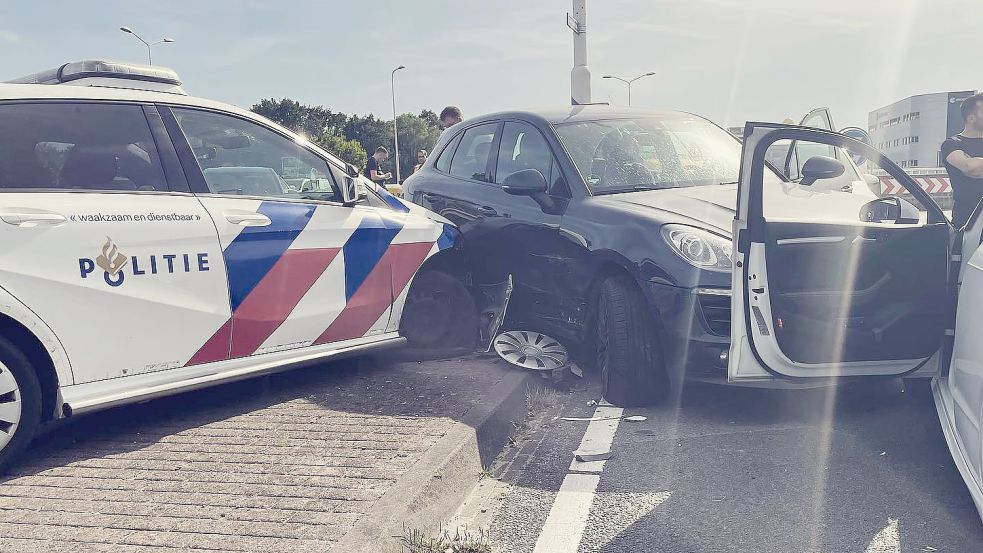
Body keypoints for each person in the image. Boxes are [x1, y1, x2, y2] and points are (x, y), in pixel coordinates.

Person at [942, 92, 983, 228]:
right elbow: (971, 168)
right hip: (968, 226)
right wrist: (973, 164)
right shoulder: (952, 144)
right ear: (971, 118)